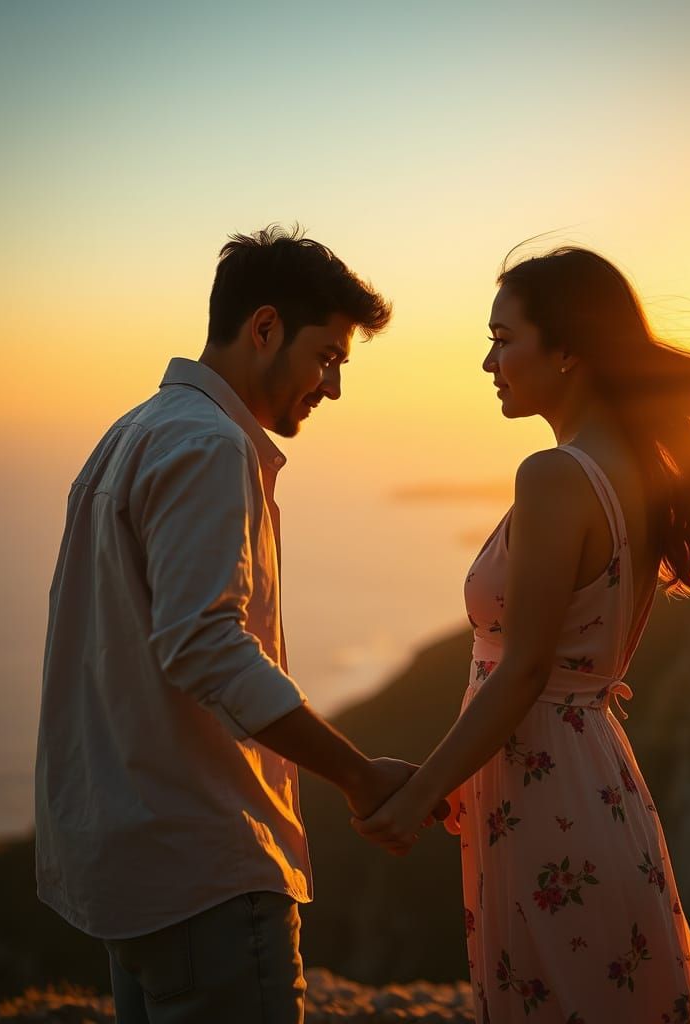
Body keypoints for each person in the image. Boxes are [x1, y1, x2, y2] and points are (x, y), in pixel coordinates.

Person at [355, 245, 690, 1022]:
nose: (489, 361)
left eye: (505, 339)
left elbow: (522, 672)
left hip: (545, 790)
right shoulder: (638, 470)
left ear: (570, 350)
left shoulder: (554, 477)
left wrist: (420, 792)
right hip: (590, 777)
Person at [35, 226, 413, 1024]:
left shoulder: (130, 434)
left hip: (129, 867)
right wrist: (358, 775)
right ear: (264, 327)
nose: (333, 387)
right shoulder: (209, 446)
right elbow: (204, 644)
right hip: (205, 870)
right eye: (328, 357)